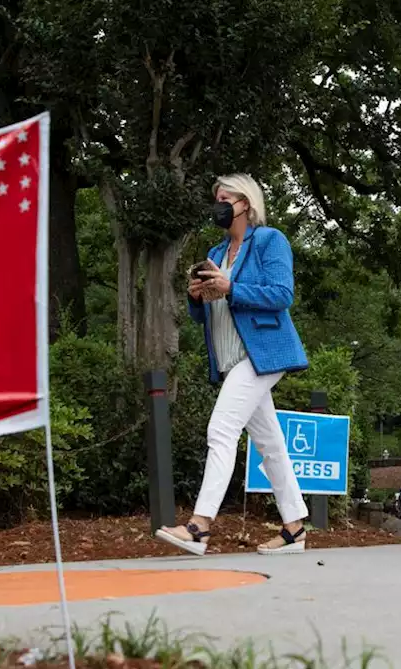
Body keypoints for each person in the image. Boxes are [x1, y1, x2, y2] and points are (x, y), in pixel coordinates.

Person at [154, 173, 310, 557]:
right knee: (270, 443)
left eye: (225, 197)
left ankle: (200, 526)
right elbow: (205, 314)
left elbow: (281, 294)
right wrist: (197, 297)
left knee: (220, 429)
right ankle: (294, 529)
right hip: (230, 358)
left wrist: (232, 288)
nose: (218, 204)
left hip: (263, 354)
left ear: (246, 202)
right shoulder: (217, 251)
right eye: (216, 198)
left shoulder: (270, 240)